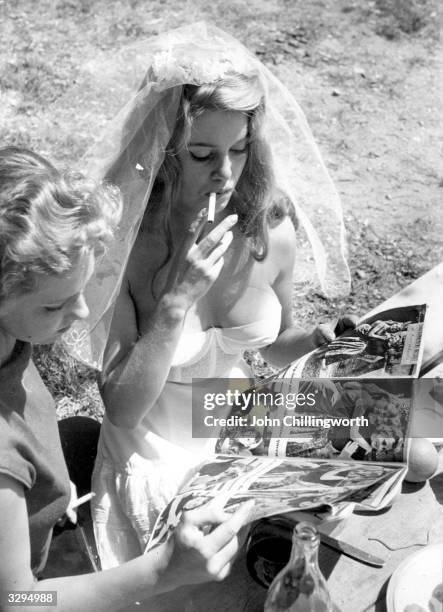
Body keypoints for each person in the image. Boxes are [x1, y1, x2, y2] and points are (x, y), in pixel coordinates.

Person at [63, 23, 354, 568]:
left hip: (239, 425)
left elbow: (272, 348)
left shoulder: (269, 227)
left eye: (240, 149)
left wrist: (315, 339)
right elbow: (123, 409)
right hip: (155, 451)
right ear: (164, 151)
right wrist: (177, 301)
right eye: (201, 154)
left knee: (400, 450)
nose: (225, 173)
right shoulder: (128, 240)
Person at [0, 146, 254, 612]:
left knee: (79, 436)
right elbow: (18, 600)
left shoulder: (11, 337)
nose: (80, 314)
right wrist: (161, 570)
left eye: (80, 294)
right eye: (55, 305)